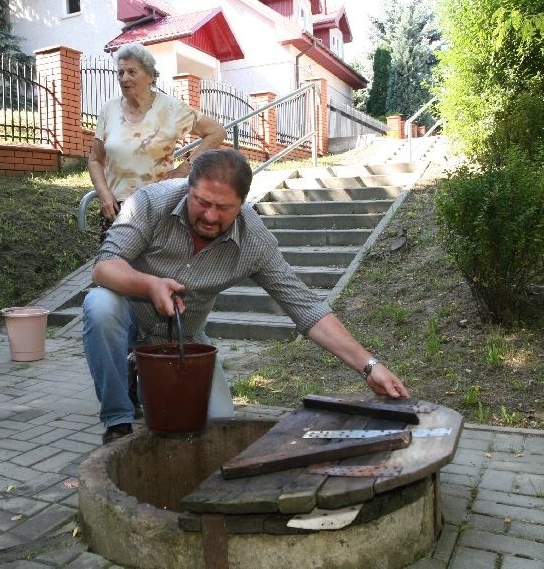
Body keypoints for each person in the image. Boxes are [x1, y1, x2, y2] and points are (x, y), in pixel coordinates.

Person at [83, 149, 410, 444]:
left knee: (219, 423)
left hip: (186, 339)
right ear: (188, 189)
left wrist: (369, 366)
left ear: (241, 205)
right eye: (202, 202)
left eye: (223, 207)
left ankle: (144, 377)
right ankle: (119, 420)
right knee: (100, 304)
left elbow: (306, 308)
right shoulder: (149, 203)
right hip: (128, 319)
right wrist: (150, 285)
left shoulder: (254, 241)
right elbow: (104, 267)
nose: (210, 216)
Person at [88, 42, 227, 239]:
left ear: (150, 76)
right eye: (120, 73)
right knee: (112, 268)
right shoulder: (108, 110)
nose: (124, 78)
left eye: (131, 72)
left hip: (160, 206)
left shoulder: (170, 108)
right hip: (117, 211)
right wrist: (103, 194)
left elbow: (216, 132)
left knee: (156, 269)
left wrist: (184, 168)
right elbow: (95, 159)